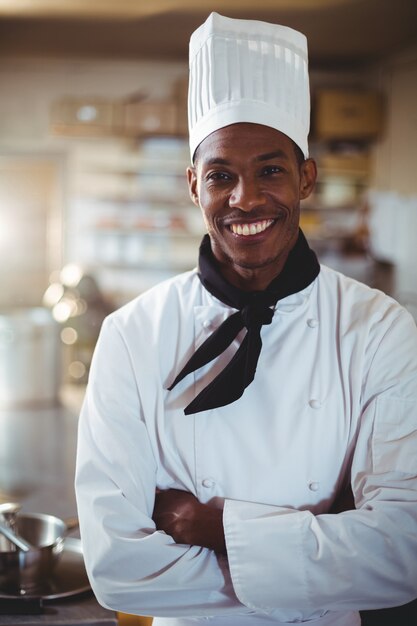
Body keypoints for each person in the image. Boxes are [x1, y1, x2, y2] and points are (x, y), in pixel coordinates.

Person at [75, 12, 417, 626]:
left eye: (271, 170)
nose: (247, 199)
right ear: (193, 187)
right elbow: (117, 571)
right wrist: (324, 550)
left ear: (307, 177)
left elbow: (403, 555)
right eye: (221, 176)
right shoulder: (132, 335)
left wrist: (202, 524)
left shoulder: (380, 331)